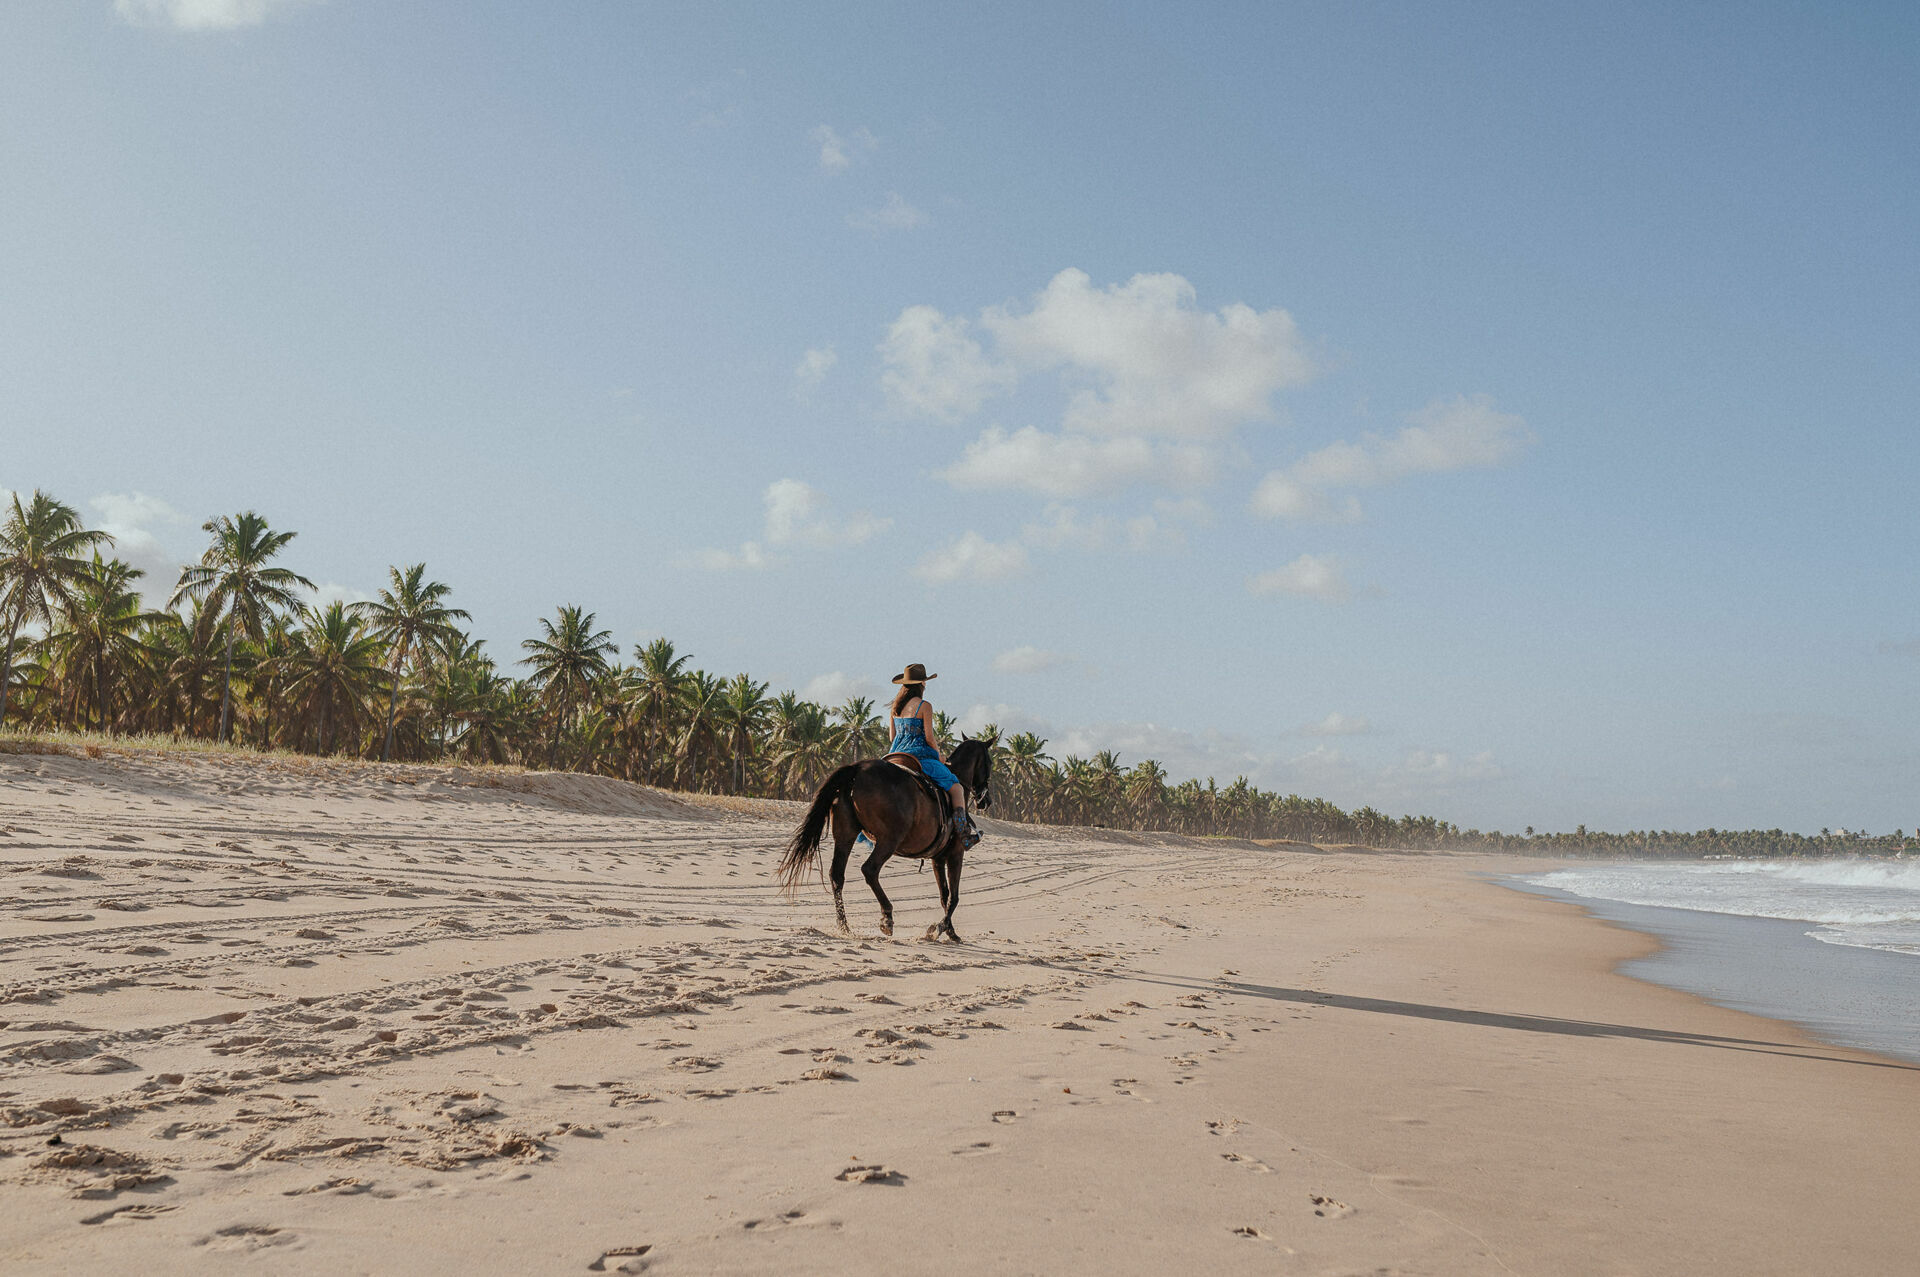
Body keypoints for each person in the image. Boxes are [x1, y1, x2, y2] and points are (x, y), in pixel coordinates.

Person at [884, 662, 979, 848]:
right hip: (920, 757)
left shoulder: (895, 708)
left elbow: (892, 737)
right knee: (957, 788)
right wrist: (938, 756)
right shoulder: (924, 706)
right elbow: (929, 738)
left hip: (895, 755)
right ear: (922, 684)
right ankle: (964, 835)